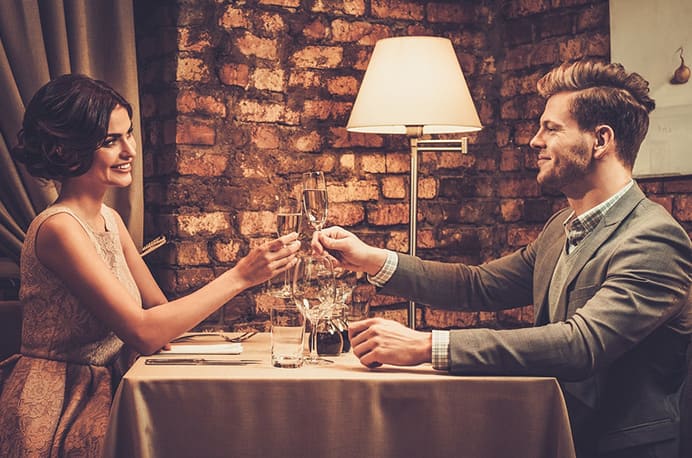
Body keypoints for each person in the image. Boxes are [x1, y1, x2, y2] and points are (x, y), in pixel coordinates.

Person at [313, 59, 691, 458]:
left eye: (551, 128)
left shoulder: (654, 238)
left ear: (600, 140)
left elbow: (582, 343)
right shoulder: (562, 226)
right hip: (552, 435)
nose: (535, 141)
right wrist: (371, 259)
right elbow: (479, 285)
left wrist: (427, 346)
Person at [0, 74, 300, 457]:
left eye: (129, 135)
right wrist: (241, 276)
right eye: (111, 140)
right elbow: (143, 332)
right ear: (65, 151)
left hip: (108, 388)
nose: (130, 151)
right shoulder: (58, 227)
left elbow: (158, 312)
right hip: (60, 404)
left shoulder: (110, 219)